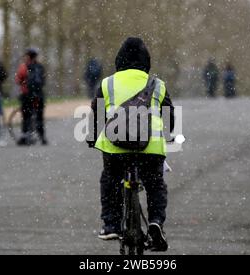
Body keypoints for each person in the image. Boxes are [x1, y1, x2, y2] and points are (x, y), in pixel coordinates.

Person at [87, 37, 175, 252]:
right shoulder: (157, 84)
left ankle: (111, 225)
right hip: (150, 147)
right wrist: (171, 135)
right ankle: (155, 223)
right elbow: (170, 115)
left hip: (116, 147)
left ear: (119, 61)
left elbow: (96, 113)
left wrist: (91, 138)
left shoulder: (107, 83)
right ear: (146, 61)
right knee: (155, 185)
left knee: (110, 179)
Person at [15, 48, 48, 146]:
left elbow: (18, 80)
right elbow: (43, 80)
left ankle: (25, 136)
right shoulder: (40, 67)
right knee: (39, 116)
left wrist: (23, 84)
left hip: (27, 95)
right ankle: (42, 137)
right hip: (39, 95)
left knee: (26, 116)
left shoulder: (24, 66)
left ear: (28, 56)